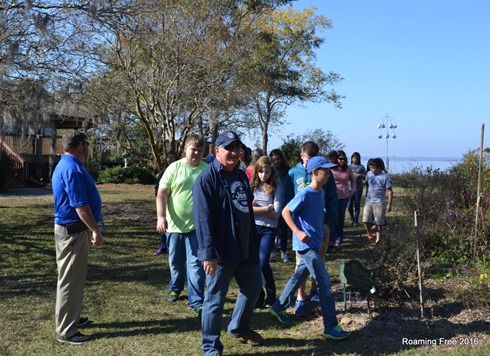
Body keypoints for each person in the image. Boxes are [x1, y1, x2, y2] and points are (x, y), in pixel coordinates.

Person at [193, 130, 264, 356]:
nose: (234, 153)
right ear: (217, 151)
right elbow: (202, 218)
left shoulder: (242, 175)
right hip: (221, 252)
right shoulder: (206, 179)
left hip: (245, 247)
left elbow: (246, 210)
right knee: (214, 300)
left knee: (253, 287)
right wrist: (208, 253)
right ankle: (211, 347)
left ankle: (239, 327)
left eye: (237, 148)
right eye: (229, 148)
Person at [270, 156, 350, 340]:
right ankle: (330, 326)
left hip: (315, 242)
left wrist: (322, 233)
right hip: (306, 246)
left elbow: (314, 217)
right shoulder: (305, 193)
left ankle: (277, 307)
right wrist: (297, 232)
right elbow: (285, 211)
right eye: (326, 171)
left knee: (298, 278)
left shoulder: (320, 192)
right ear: (315, 173)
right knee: (324, 282)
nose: (329, 174)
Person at [52, 129, 103, 345]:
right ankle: (66, 331)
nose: (88, 149)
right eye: (87, 144)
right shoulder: (71, 169)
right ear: (80, 145)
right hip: (73, 232)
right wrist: (95, 229)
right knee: (70, 281)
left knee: (74, 279)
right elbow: (80, 207)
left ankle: (71, 318)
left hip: (73, 232)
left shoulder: (69, 165)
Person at [285, 142, 338, 316]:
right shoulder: (293, 174)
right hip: (302, 231)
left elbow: (332, 200)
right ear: (302, 156)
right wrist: (296, 230)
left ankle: (313, 292)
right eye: (307, 159)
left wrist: (328, 223)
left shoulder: (325, 176)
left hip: (320, 228)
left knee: (317, 263)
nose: (309, 162)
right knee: (301, 266)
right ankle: (300, 299)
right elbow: (287, 204)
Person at [156, 135, 206, 318]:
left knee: (195, 265)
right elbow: (162, 193)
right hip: (174, 227)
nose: (196, 153)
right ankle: (175, 288)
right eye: (193, 149)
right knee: (176, 263)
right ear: (185, 149)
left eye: (200, 150)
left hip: (196, 228)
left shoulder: (206, 170)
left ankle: (197, 301)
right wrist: (161, 217)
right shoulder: (174, 168)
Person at [250, 156, 283, 309]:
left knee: (263, 262)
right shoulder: (252, 187)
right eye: (261, 171)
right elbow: (247, 211)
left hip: (269, 229)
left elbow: (276, 213)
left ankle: (271, 294)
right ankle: (258, 296)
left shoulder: (276, 187)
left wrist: (258, 209)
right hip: (253, 228)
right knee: (254, 263)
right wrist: (266, 208)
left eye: (267, 172)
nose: (264, 175)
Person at [362, 157, 393, 245]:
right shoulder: (368, 174)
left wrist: (389, 204)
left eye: (373, 168)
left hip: (379, 201)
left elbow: (390, 190)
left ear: (379, 168)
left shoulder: (385, 176)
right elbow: (367, 183)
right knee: (366, 220)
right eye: (370, 167)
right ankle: (370, 236)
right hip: (369, 200)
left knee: (379, 222)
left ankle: (378, 238)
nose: (371, 170)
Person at [330, 150, 356, 247]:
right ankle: (331, 238)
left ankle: (339, 237)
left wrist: (353, 190)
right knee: (333, 218)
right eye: (340, 159)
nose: (342, 161)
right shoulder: (331, 168)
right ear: (336, 159)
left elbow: (353, 180)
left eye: (344, 159)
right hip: (333, 196)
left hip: (344, 196)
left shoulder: (348, 169)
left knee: (341, 218)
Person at [154, 150, 178, 255]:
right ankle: (163, 247)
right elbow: (157, 187)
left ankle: (174, 247)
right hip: (164, 203)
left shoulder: (179, 170)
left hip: (175, 204)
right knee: (164, 224)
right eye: (168, 157)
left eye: (172, 157)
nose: (170, 159)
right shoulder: (162, 172)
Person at [269, 148, 290, 263]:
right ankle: (273, 251)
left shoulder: (287, 171)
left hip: (284, 202)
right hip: (273, 202)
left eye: (278, 159)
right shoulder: (270, 171)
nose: (276, 162)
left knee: (283, 229)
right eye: (274, 160)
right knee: (273, 228)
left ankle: (283, 251)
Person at [347, 152, 366, 226]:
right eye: (354, 158)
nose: (355, 159)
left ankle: (356, 220)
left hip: (358, 188)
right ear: (351, 158)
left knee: (357, 204)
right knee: (349, 205)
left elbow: (365, 176)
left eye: (357, 158)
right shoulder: (348, 167)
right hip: (349, 188)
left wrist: (360, 175)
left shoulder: (361, 167)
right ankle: (351, 217)